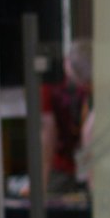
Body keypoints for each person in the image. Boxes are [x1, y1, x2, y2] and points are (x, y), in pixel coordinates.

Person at [40, 37, 93, 194]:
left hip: (67, 169)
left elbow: (47, 140)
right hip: (71, 169)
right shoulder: (88, 90)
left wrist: (41, 182)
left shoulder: (50, 90)